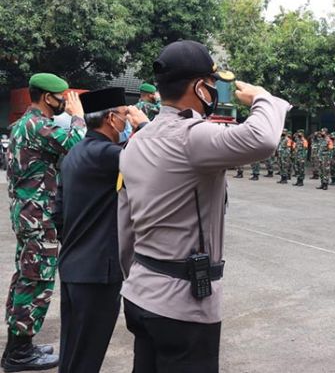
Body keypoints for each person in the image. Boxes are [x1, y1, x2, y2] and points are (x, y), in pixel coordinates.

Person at [117, 40, 290, 372]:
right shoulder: (193, 136)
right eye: (212, 86)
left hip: (140, 293)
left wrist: (135, 276)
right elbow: (264, 139)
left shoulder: (136, 141)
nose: (214, 93)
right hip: (182, 305)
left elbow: (124, 222)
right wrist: (263, 98)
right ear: (199, 86)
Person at [57, 87, 149, 373]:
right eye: (124, 115)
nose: (126, 120)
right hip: (97, 273)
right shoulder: (107, 155)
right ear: (111, 118)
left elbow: (58, 212)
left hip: (74, 265)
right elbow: (153, 156)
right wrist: (144, 125)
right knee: (87, 358)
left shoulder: (74, 154)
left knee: (73, 351)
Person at [3, 73, 86, 371]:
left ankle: (19, 345)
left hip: (28, 212)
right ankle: (18, 354)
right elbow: (77, 143)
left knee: (26, 275)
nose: (65, 100)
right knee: (36, 279)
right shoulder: (38, 125)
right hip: (37, 214)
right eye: (61, 96)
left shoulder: (24, 124)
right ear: (46, 97)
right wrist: (78, 117)